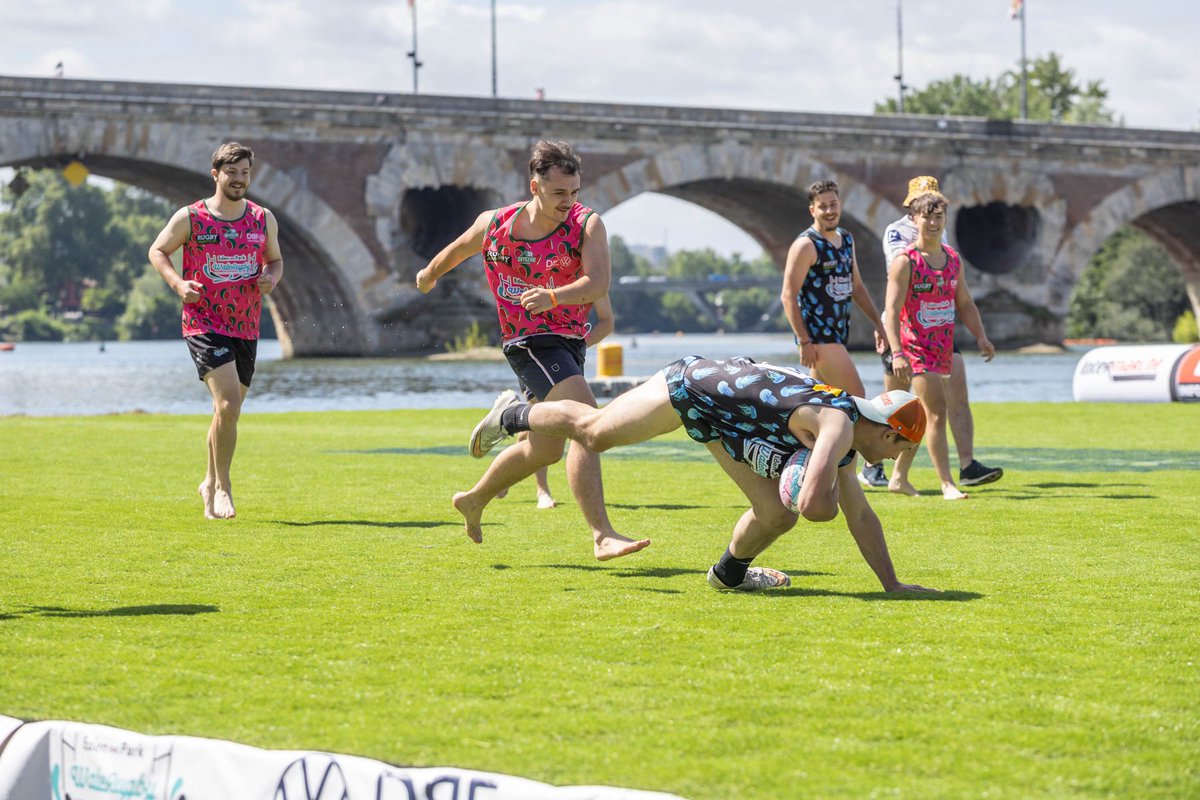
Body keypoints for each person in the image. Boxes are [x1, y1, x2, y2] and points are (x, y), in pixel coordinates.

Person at [470, 355, 939, 594]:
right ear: (888, 433)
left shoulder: (847, 437)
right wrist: (809, 479)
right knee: (594, 433)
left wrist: (892, 584)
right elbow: (818, 507)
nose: (895, 458)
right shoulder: (839, 425)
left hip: (732, 421)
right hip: (695, 386)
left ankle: (728, 575)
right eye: (901, 449)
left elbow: (861, 516)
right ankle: (512, 415)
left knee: (776, 514)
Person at [415, 141, 649, 561]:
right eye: (559, 193)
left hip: (568, 342)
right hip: (529, 341)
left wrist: (554, 297)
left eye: (574, 191)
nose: (568, 202)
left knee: (544, 450)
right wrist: (428, 274)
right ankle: (602, 534)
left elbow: (597, 284)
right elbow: (459, 249)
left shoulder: (587, 225)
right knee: (586, 422)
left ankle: (474, 497)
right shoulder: (495, 224)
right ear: (534, 187)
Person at [148, 142, 283, 520]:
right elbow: (157, 251)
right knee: (228, 405)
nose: (239, 179)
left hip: (246, 325)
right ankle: (223, 487)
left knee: (226, 413)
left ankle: (208, 482)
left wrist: (271, 277)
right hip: (204, 322)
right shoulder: (191, 217)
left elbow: (275, 260)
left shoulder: (262, 219)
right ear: (216, 174)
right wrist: (178, 284)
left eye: (245, 173)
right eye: (232, 173)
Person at [864, 176, 1003, 490]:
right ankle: (881, 467)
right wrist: (895, 347)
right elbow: (896, 297)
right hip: (908, 335)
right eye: (926, 212)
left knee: (933, 408)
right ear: (913, 210)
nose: (933, 220)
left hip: (941, 337)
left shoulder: (949, 252)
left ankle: (956, 467)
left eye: (938, 213)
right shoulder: (899, 241)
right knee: (901, 407)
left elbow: (963, 299)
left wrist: (981, 336)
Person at [782, 179, 887, 484]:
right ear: (812, 209)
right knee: (858, 398)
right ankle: (870, 467)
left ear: (840, 205)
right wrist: (804, 340)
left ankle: (813, 470)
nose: (829, 211)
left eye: (834, 204)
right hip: (819, 338)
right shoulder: (806, 245)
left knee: (821, 409)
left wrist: (878, 324)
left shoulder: (846, 240)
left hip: (838, 335)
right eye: (823, 206)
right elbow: (788, 296)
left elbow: (857, 287)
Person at [497, 295, 616, 510]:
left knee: (540, 427)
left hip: (570, 354)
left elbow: (606, 322)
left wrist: (576, 345)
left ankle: (503, 468)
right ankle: (542, 491)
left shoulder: (593, 279)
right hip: (535, 347)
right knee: (547, 422)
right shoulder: (539, 275)